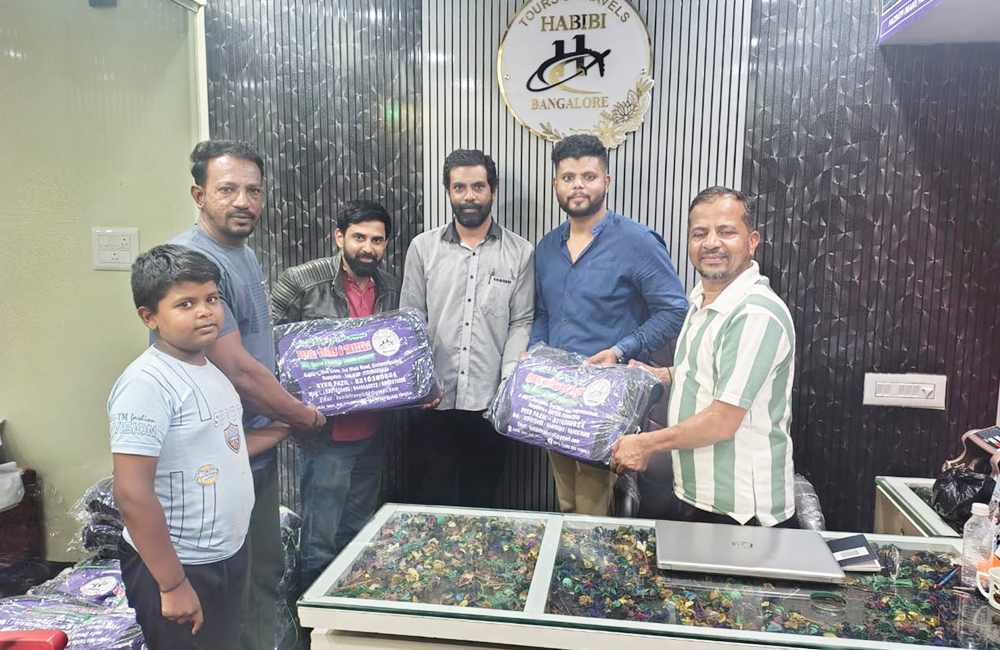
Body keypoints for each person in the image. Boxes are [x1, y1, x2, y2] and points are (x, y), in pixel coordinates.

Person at [168, 140, 324, 650]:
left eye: (253, 191)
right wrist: (302, 417)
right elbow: (237, 370)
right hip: (213, 461)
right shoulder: (191, 262)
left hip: (253, 446)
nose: (243, 201)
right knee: (227, 586)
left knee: (262, 571)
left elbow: (257, 347)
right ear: (199, 195)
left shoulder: (242, 251)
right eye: (227, 189)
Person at [110, 245, 291, 649]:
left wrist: (285, 426)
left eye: (211, 299)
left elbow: (223, 449)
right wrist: (172, 584)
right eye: (186, 304)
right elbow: (131, 493)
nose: (205, 312)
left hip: (224, 556)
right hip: (178, 565)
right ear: (150, 317)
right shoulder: (147, 384)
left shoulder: (210, 372)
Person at [610, 186, 797, 528]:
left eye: (726, 232)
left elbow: (722, 420)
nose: (711, 243)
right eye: (700, 233)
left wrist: (645, 444)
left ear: (752, 241)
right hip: (700, 496)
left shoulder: (753, 313)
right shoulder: (701, 301)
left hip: (741, 512)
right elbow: (713, 370)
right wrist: (663, 374)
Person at [529, 134, 688, 516]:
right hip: (555, 398)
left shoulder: (637, 242)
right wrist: (535, 354)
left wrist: (620, 351)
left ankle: (593, 557)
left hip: (607, 400)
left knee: (594, 508)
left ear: (606, 181)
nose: (578, 185)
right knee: (567, 502)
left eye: (588, 176)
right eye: (568, 177)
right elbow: (543, 314)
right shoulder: (547, 248)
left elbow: (674, 310)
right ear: (555, 184)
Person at [271, 200, 400, 588]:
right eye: (359, 237)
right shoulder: (301, 282)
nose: (368, 248)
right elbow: (266, 346)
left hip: (373, 432)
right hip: (324, 436)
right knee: (320, 541)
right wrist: (293, 404)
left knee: (358, 533)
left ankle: (346, 604)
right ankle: (311, 612)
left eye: (377, 240)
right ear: (339, 237)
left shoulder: (391, 287)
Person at [400, 149, 534, 507]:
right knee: (430, 505)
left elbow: (522, 320)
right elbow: (410, 318)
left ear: (493, 189)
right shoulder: (423, 248)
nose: (469, 196)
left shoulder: (520, 252)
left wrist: (508, 379)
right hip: (433, 402)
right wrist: (421, 381)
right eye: (459, 187)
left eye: (478, 186)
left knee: (481, 502)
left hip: (488, 401)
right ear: (448, 191)